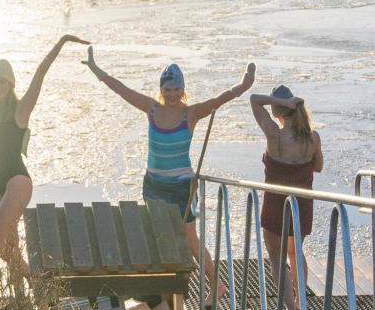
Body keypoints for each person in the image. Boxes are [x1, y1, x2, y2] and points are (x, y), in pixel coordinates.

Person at [84, 50, 255, 293]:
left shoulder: (191, 113)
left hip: (183, 187)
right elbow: (122, 90)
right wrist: (95, 69)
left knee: (189, 238)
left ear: (182, 89)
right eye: (168, 89)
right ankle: (166, 291)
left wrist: (244, 85)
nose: (172, 94)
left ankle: (217, 286)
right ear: (161, 89)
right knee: (160, 237)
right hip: (153, 185)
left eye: (176, 89)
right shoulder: (151, 109)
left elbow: (220, 99)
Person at [0, 35, 88, 276]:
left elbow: (40, 73)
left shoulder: (20, 110)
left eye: (2, 83)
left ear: (10, 85)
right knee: (11, 245)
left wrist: (61, 42)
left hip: (17, 182)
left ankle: (34, 277)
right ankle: (22, 299)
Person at [249, 85, 323, 310]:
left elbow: (253, 100)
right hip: (301, 204)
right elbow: (319, 167)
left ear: (277, 111)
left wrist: (278, 100)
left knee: (277, 258)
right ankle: (301, 302)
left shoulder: (274, 135)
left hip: (275, 205)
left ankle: (290, 308)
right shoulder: (312, 138)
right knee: (295, 251)